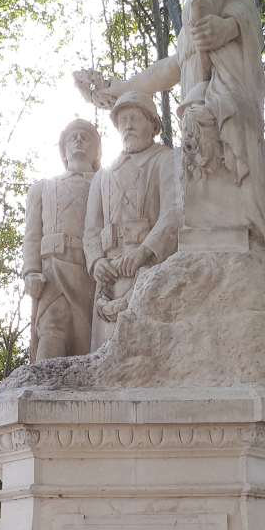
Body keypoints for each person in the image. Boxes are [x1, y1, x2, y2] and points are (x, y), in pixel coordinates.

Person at [75, 0, 265, 258]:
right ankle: (213, 247)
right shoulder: (192, 13)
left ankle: (233, 245)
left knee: (223, 187)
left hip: (223, 105)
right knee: (205, 191)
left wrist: (227, 29)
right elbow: (170, 68)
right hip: (202, 110)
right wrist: (118, 89)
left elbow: (245, 21)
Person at [83, 91, 178, 349]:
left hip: (147, 270)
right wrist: (96, 262)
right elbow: (91, 229)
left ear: (154, 125)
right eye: (123, 120)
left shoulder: (166, 160)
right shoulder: (103, 175)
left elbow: (173, 213)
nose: (128, 125)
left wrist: (144, 252)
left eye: (135, 118)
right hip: (109, 278)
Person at [23, 118, 102, 360]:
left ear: (96, 150)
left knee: (87, 336)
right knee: (51, 325)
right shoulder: (43, 188)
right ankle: (42, 389)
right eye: (72, 137)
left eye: (85, 137)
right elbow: (32, 235)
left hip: (89, 271)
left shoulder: (106, 184)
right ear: (64, 149)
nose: (78, 140)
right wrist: (30, 271)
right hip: (52, 271)